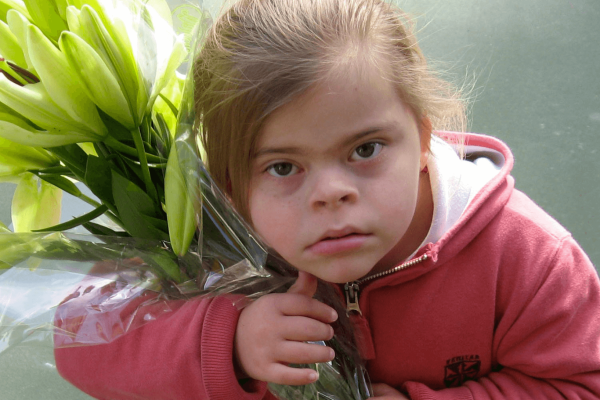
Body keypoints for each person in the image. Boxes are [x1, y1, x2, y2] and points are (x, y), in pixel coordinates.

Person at [54, 0, 600, 398]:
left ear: (423, 139)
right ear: (228, 183)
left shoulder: (528, 257)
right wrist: (230, 342)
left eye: (365, 149)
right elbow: (78, 338)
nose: (332, 192)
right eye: (283, 166)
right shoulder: (210, 236)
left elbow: (580, 385)